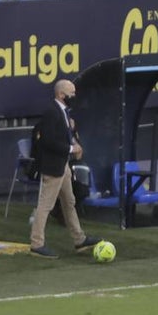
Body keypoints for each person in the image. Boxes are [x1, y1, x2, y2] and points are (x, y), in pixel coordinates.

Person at [29, 79, 101, 259]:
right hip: (53, 166)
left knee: (69, 202)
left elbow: (65, 137)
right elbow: (47, 141)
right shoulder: (51, 113)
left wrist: (75, 144)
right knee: (45, 205)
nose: (74, 97)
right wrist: (70, 149)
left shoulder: (64, 113)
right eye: (72, 94)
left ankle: (79, 239)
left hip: (63, 165)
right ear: (61, 94)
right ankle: (37, 244)